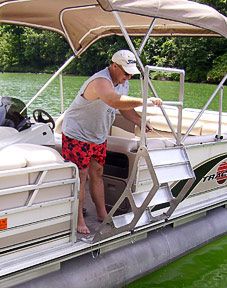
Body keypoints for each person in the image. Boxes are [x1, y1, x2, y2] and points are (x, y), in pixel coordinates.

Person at [62, 50, 162, 234]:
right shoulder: (100, 81)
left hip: (98, 136)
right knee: (81, 176)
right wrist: (146, 101)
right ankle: (79, 219)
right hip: (77, 134)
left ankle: (102, 213)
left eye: (131, 73)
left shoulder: (123, 83)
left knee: (98, 173)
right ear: (114, 66)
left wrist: (140, 121)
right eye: (125, 72)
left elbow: (124, 108)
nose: (128, 76)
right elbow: (114, 100)